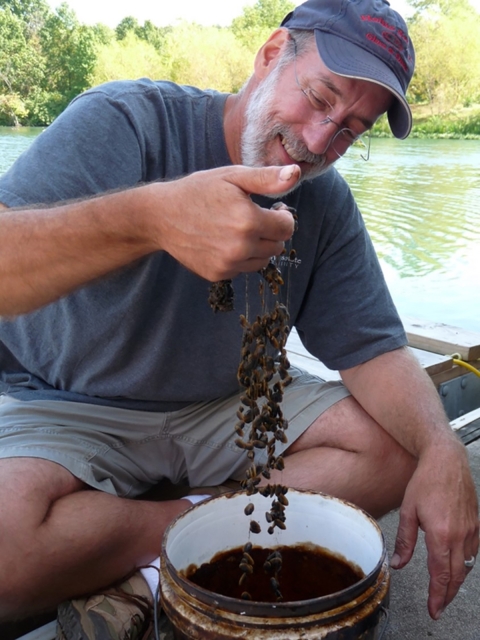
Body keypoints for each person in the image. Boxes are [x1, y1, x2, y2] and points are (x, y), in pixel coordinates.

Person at [0, 0, 477, 636]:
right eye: (319, 96)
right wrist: (149, 218)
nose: (318, 141)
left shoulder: (321, 201)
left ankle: (150, 563)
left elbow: (374, 350)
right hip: (72, 403)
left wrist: (442, 447)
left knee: (399, 449)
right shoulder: (126, 121)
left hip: (227, 407)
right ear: (272, 53)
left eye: (351, 130)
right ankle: (196, 535)